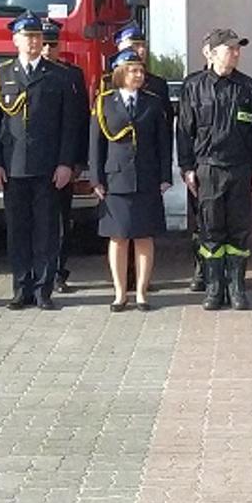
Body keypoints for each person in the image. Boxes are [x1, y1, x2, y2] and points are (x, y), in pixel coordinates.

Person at [0, 14, 86, 311]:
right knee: (18, 230)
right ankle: (21, 287)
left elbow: (70, 125)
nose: (32, 42)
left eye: (36, 37)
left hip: (48, 166)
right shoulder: (1, 74)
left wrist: (66, 163)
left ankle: (44, 289)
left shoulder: (59, 75)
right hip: (13, 166)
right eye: (26, 37)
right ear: (15, 40)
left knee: (46, 230)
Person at [177, 29, 252, 310]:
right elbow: (184, 131)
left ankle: (237, 287)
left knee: (239, 231)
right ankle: (215, 288)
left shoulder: (249, 87)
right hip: (208, 169)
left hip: (240, 169)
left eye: (238, 48)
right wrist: (186, 167)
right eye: (230, 49)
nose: (236, 53)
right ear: (211, 52)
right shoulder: (194, 87)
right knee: (211, 230)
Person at [92, 50, 173, 312]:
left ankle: (141, 293)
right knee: (118, 237)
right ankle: (119, 293)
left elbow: (163, 142)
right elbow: (96, 144)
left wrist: (164, 176)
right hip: (116, 179)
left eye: (141, 70)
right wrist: (96, 179)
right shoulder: (104, 102)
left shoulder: (152, 102)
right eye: (133, 70)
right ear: (120, 73)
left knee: (143, 237)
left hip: (146, 178)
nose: (139, 75)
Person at [40, 20, 89, 295]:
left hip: (63, 160)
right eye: (44, 44)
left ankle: (59, 271)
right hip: (34, 160)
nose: (47, 49)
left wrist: (78, 160)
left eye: (52, 44)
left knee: (60, 220)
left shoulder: (72, 75)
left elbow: (80, 119)